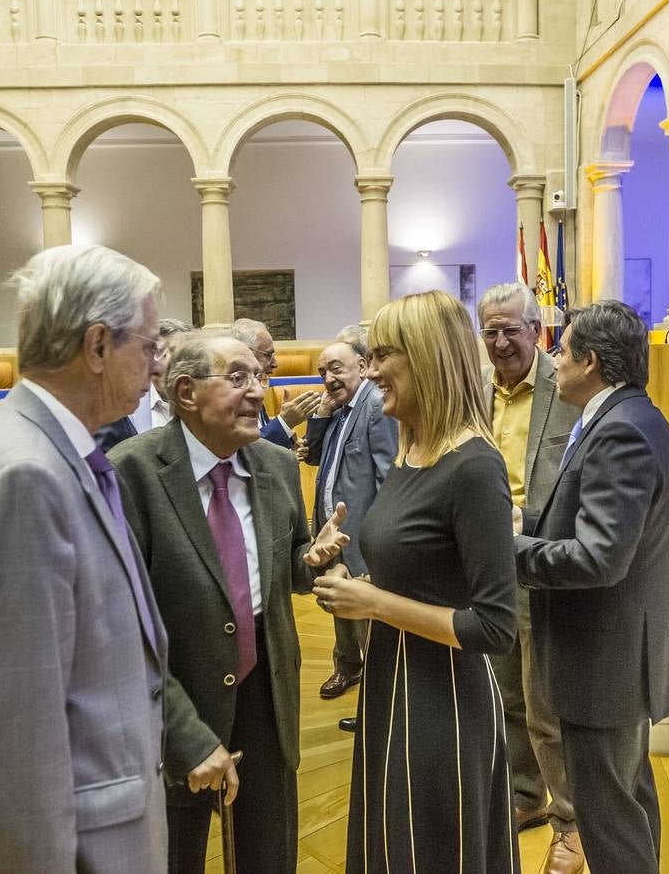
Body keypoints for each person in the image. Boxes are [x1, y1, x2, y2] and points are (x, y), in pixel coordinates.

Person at [0, 245, 170, 872]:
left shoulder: (44, 453)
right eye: (148, 347)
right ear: (97, 347)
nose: (156, 366)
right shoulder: (26, 478)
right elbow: (7, 750)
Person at [109, 332, 344, 874]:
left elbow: (288, 567)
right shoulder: (133, 473)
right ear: (186, 392)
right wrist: (182, 732)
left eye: (259, 377)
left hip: (267, 686)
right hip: (178, 692)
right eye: (237, 378)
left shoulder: (277, 466)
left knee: (269, 847)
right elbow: (121, 628)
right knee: (174, 853)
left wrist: (311, 559)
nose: (258, 392)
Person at [310, 289, 519, 873]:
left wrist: (372, 601)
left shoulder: (474, 465)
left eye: (382, 355)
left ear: (425, 358)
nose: (370, 370)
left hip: (445, 705)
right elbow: (422, 569)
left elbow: (494, 626)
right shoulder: (410, 448)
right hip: (391, 686)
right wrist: (349, 578)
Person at [513, 300, 669, 874]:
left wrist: (504, 551)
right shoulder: (632, 418)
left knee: (609, 819)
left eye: (560, 351)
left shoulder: (620, 432)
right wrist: (532, 527)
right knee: (629, 803)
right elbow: (593, 528)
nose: (553, 362)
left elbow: (599, 559)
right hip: (615, 658)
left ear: (589, 361)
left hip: (602, 665)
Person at [478, 283, 584, 873]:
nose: (500, 342)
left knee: (545, 704)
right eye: (490, 330)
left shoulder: (564, 386)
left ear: (536, 330)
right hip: (487, 568)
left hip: (541, 567)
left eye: (510, 329)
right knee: (505, 693)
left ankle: (571, 822)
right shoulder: (474, 391)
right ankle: (525, 797)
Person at [304, 335, 397, 703]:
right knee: (337, 605)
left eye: (336, 369)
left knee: (367, 622)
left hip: (362, 537)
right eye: (323, 372)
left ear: (362, 366)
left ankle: (377, 704)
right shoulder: (340, 410)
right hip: (332, 534)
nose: (328, 378)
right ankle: (347, 667)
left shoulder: (374, 405)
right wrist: (320, 415)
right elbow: (311, 458)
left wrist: (379, 543)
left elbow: (387, 477)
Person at [95, 317, 193, 452]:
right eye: (160, 353)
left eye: (181, 355)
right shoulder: (124, 406)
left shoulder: (204, 405)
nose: (168, 363)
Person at [229, 318, 319, 447]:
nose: (275, 363)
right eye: (268, 355)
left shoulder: (256, 392)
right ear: (246, 352)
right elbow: (245, 451)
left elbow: (261, 441)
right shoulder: (231, 398)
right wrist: (284, 422)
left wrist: (286, 451)